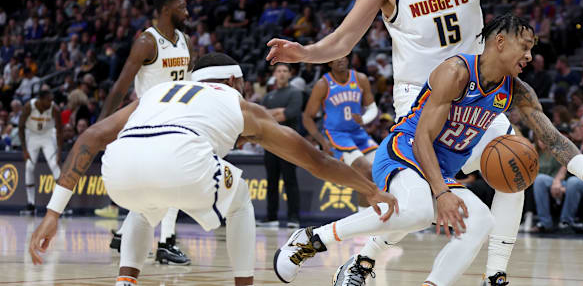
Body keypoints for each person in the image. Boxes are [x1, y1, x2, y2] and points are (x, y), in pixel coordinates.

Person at [266, 0, 552, 285]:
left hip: (475, 98)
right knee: (418, 205)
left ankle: (495, 274)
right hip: (421, 103)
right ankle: (361, 258)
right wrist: (305, 52)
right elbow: (344, 41)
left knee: (515, 168)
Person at [273, 14, 583, 286]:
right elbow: (423, 135)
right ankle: (312, 238)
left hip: (440, 167)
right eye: (525, 47)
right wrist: (441, 193)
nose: (530, 56)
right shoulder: (456, 71)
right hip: (404, 152)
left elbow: (554, 139)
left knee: (481, 221)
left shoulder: (517, 90)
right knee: (421, 209)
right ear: (500, 42)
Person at [28, 52, 398, 286]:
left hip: (120, 171)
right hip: (183, 163)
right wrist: (368, 189)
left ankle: (126, 280)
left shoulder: (155, 94)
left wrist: (52, 214)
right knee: (240, 199)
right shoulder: (239, 104)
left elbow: (90, 137)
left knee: (143, 208)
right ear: (235, 81)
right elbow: (315, 161)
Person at [96, 0, 194, 265]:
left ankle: (124, 233)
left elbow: (191, 80)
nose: (187, 12)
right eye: (182, 7)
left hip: (178, 117)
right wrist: (102, 124)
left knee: (166, 183)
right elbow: (120, 86)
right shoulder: (146, 43)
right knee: (175, 179)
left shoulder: (186, 41)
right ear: (165, 10)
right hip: (150, 120)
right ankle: (166, 243)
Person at [302, 56, 378, 204]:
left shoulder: (360, 78)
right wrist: (322, 141)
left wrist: (364, 119)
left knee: (381, 168)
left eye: (343, 56)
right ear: (329, 62)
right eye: (335, 58)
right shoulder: (323, 84)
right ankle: (363, 216)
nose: (340, 60)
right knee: (364, 170)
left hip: (358, 133)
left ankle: (378, 215)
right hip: (337, 135)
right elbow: (307, 117)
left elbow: (372, 108)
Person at [258, 63, 303, 228]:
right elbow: (260, 118)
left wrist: (270, 115)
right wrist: (276, 113)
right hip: (270, 144)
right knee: (271, 182)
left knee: (290, 180)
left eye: (285, 71)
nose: (282, 74)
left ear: (290, 74)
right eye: (279, 71)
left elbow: (289, 114)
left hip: (288, 144)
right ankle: (271, 217)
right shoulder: (268, 96)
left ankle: (293, 218)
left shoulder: (295, 93)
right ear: (274, 74)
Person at [18, 90, 63, 215]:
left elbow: (59, 131)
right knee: (29, 167)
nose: (51, 102)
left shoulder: (55, 109)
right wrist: (24, 149)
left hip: (48, 135)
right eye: (48, 99)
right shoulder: (29, 106)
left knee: (54, 165)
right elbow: (21, 126)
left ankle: (62, 203)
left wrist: (59, 151)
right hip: (32, 136)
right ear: (41, 99)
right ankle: (31, 204)